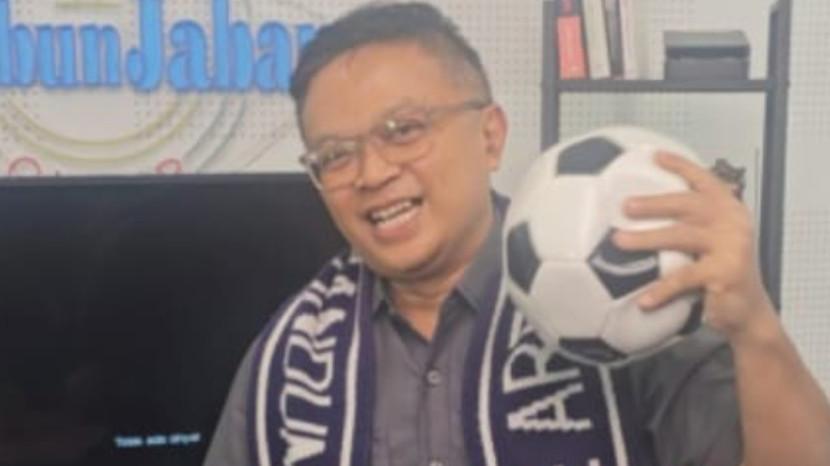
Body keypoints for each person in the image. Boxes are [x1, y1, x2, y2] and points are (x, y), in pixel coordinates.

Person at [204, 2, 830, 465]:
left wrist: (755, 327)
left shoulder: (630, 292)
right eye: (335, 156)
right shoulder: (293, 356)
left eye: (403, 130)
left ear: (490, 136)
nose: (371, 173)